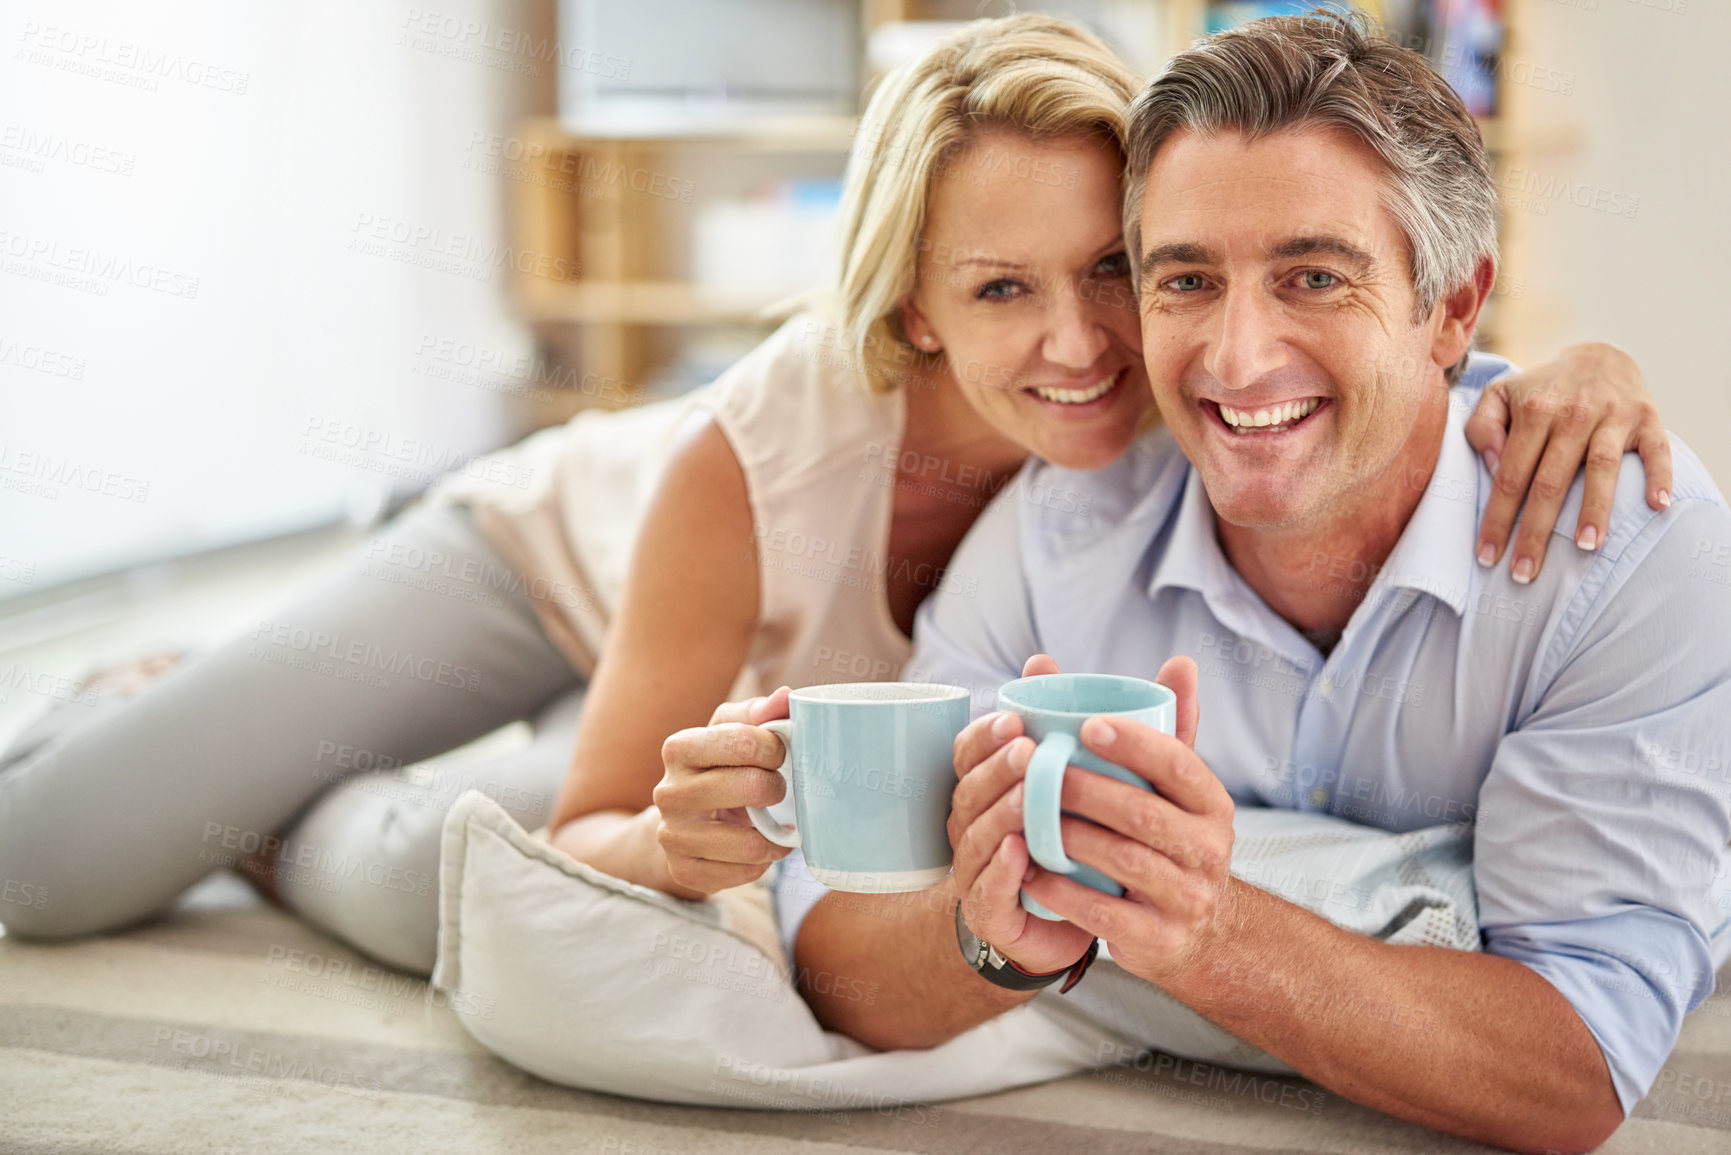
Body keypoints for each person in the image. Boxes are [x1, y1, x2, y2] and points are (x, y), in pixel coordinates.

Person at [0, 16, 1672, 981]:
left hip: (713, 691)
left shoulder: (1199, 374)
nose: (1089, 341)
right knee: (68, 861)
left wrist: (1584, 363)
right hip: (548, 573)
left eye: (1112, 271)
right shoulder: (758, 459)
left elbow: (1371, 325)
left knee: (456, 855)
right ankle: (155, 712)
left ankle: (277, 799)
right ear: (912, 306)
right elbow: (604, 814)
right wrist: (675, 839)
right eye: (1000, 290)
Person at [690, 14, 1729, 1153]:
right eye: (1185, 280)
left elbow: (1579, 1066)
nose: (1237, 361)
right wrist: (992, 937)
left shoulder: (1623, 550)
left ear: (1453, 308)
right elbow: (837, 951)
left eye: (1315, 276)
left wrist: (1204, 933)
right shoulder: (1050, 532)